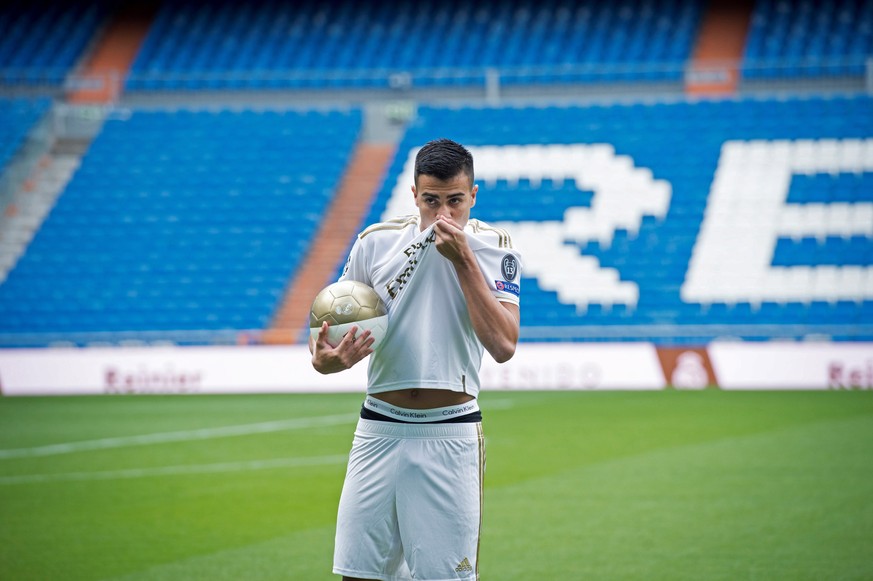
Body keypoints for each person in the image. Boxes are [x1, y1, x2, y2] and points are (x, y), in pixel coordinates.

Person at [310, 138, 522, 581]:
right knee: (358, 575)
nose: (443, 215)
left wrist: (463, 260)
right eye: (431, 201)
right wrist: (328, 360)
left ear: (473, 196)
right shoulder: (374, 242)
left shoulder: (493, 246)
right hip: (378, 428)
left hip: (451, 432)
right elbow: (330, 338)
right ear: (413, 195)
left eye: (455, 202)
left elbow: (503, 346)